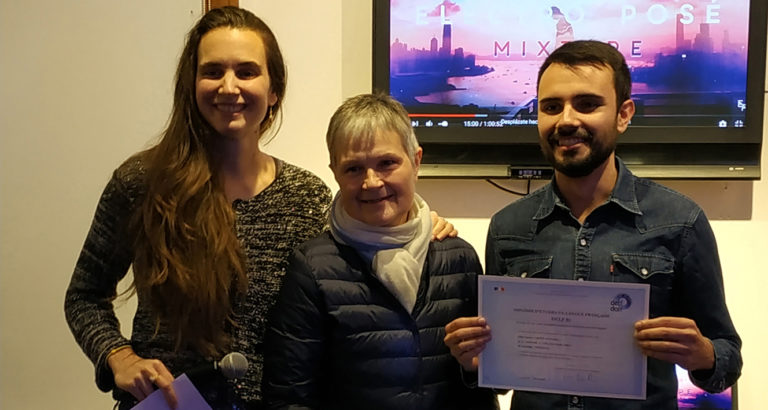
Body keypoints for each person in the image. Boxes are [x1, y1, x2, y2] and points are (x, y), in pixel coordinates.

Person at [64, 7, 457, 410]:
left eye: (246, 72)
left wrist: (418, 227)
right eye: (212, 71)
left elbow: (354, 275)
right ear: (192, 84)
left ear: (274, 91)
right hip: (167, 404)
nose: (228, 86)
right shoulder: (142, 182)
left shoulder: (306, 196)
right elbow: (83, 296)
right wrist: (118, 356)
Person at [444, 40, 742, 409]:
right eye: (551, 107)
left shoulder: (681, 222)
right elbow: (500, 376)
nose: (566, 120)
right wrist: (475, 364)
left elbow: (728, 360)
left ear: (624, 114)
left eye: (587, 104)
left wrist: (703, 355)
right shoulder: (508, 227)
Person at [261, 93, 498, 410]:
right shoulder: (312, 268)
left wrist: (474, 370)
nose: (371, 182)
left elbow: (481, 385)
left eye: (387, 163)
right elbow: (288, 397)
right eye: (354, 169)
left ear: (416, 161)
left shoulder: (459, 258)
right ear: (335, 172)